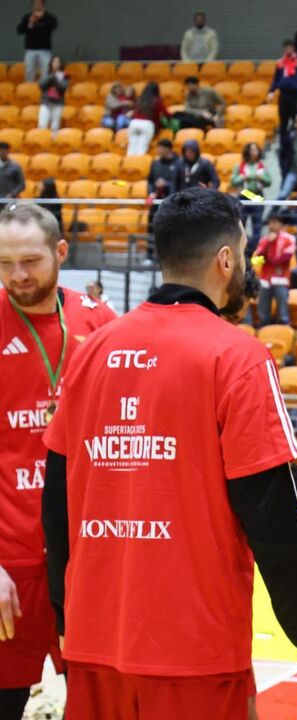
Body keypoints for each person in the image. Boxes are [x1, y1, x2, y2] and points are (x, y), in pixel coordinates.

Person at [40, 189, 297, 717]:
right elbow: (273, 517)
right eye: (242, 252)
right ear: (226, 259)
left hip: (92, 641)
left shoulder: (93, 352)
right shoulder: (239, 357)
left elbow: (56, 505)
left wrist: (66, 617)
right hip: (195, 651)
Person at [0, 205, 115, 720]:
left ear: (61, 252)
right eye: (5, 264)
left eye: (30, 260)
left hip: (89, 560)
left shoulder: (101, 322)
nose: (18, 275)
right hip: (11, 564)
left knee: (101, 706)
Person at [253, 214, 296, 326]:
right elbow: (257, 260)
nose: (272, 225)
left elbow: (285, 259)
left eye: (275, 222)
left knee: (283, 312)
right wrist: (269, 244)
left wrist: (268, 259)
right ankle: (264, 326)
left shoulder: (289, 239)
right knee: (263, 313)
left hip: (281, 279)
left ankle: (284, 326)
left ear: (281, 225)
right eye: (270, 223)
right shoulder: (264, 240)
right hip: (265, 279)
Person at [269, 40, 297, 146]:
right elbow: (276, 78)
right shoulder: (280, 62)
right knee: (283, 122)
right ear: (284, 49)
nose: (288, 50)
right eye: (286, 48)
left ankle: (296, 143)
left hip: (296, 95)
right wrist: (271, 91)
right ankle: (283, 146)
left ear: (293, 48)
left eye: (290, 47)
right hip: (284, 95)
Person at [231, 142, 271, 241]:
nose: (255, 152)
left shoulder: (262, 165)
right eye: (253, 150)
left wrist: (260, 177)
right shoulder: (239, 166)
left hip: (257, 195)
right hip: (244, 195)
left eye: (256, 150)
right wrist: (244, 177)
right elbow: (233, 182)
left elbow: (269, 181)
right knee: (241, 224)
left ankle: (256, 246)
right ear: (247, 151)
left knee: (257, 224)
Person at [16, 0, 58, 83]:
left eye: (39, 4)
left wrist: (43, 17)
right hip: (30, 50)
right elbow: (19, 31)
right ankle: (29, 88)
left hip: (45, 50)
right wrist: (30, 22)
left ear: (43, 5)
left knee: (46, 71)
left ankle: (44, 88)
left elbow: (53, 26)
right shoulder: (28, 17)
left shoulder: (49, 17)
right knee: (29, 71)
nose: (37, 5)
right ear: (33, 6)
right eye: (35, 4)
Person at [126, 82, 170, 157]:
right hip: (147, 124)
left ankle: (130, 162)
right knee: (142, 148)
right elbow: (166, 114)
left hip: (134, 123)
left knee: (131, 148)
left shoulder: (140, 99)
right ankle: (139, 163)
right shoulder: (157, 100)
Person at [36, 56, 66, 133]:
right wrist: (52, 76)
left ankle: (54, 140)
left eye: (58, 62)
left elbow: (62, 88)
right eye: (54, 62)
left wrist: (55, 79)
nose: (56, 64)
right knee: (42, 125)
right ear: (51, 63)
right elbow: (41, 85)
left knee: (55, 126)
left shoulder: (64, 76)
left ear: (61, 64)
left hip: (58, 103)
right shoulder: (46, 74)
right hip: (46, 102)